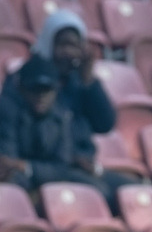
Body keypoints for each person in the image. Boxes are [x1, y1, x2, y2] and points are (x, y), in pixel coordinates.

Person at [0, 10, 132, 212]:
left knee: (131, 192)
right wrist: (27, 167)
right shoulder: (25, 80)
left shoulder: (80, 81)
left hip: (80, 164)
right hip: (47, 164)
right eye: (63, 45)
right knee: (100, 195)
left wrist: (89, 81)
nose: (68, 53)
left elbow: (105, 123)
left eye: (74, 46)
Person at [0, 54, 119, 205]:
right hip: (21, 180)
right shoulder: (7, 112)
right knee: (11, 189)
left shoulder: (61, 115)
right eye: (34, 89)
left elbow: (62, 166)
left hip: (48, 177)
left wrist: (27, 166)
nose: (41, 96)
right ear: (22, 89)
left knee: (103, 192)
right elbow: (7, 164)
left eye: (47, 89)